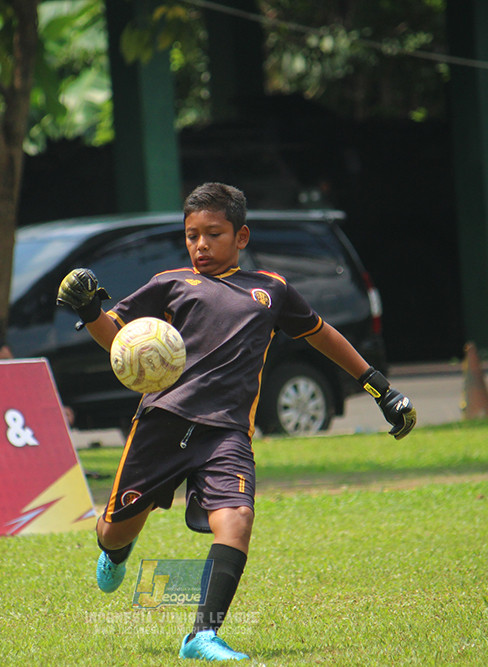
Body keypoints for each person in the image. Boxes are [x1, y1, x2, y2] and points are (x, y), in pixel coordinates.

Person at [56, 182, 417, 662]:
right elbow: (117, 340)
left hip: (227, 432)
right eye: (192, 236)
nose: (201, 245)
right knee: (114, 532)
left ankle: (201, 636)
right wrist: (89, 309)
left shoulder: (270, 290)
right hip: (162, 422)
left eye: (213, 234)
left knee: (238, 520)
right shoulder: (170, 284)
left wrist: (380, 388)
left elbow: (322, 335)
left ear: (241, 237)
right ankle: (117, 548)